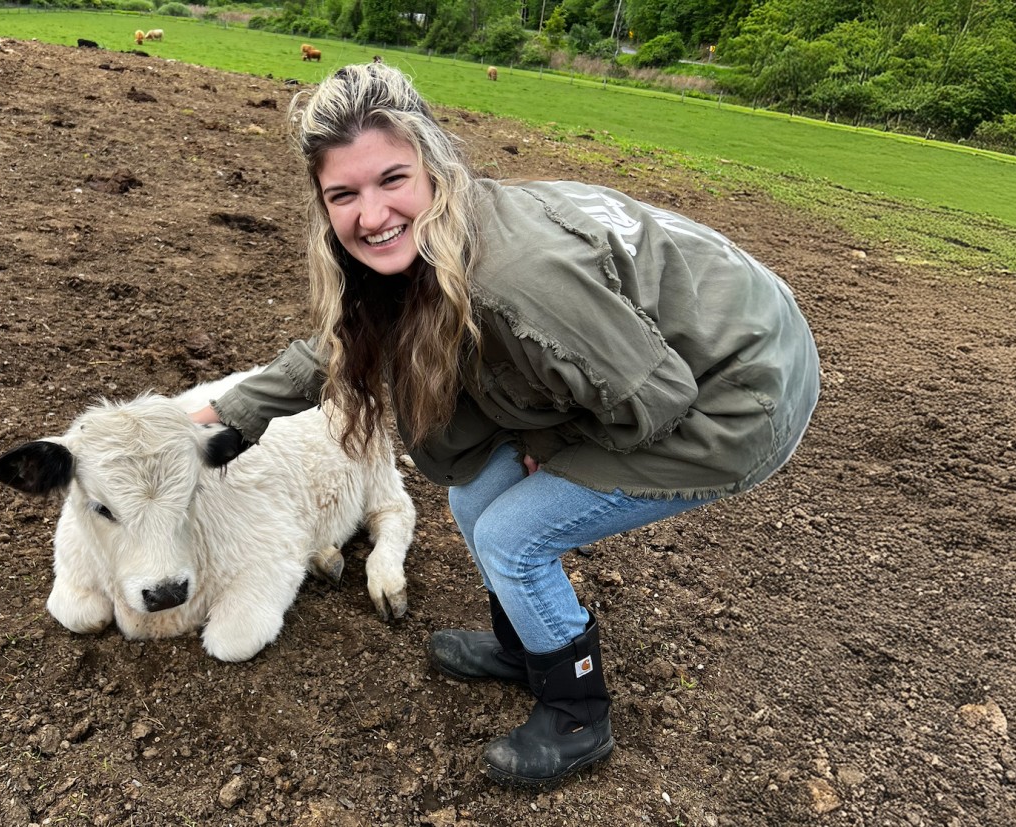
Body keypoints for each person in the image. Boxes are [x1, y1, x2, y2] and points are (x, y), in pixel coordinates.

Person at [189, 63, 820, 790]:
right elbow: (340, 344)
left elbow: (659, 396)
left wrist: (546, 448)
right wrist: (224, 416)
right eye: (343, 194)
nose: (369, 214)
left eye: (392, 178)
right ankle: (523, 644)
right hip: (676, 352)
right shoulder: (425, 238)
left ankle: (577, 711)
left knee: (512, 536)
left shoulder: (515, 281)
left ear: (435, 165)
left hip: (739, 391)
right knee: (473, 489)